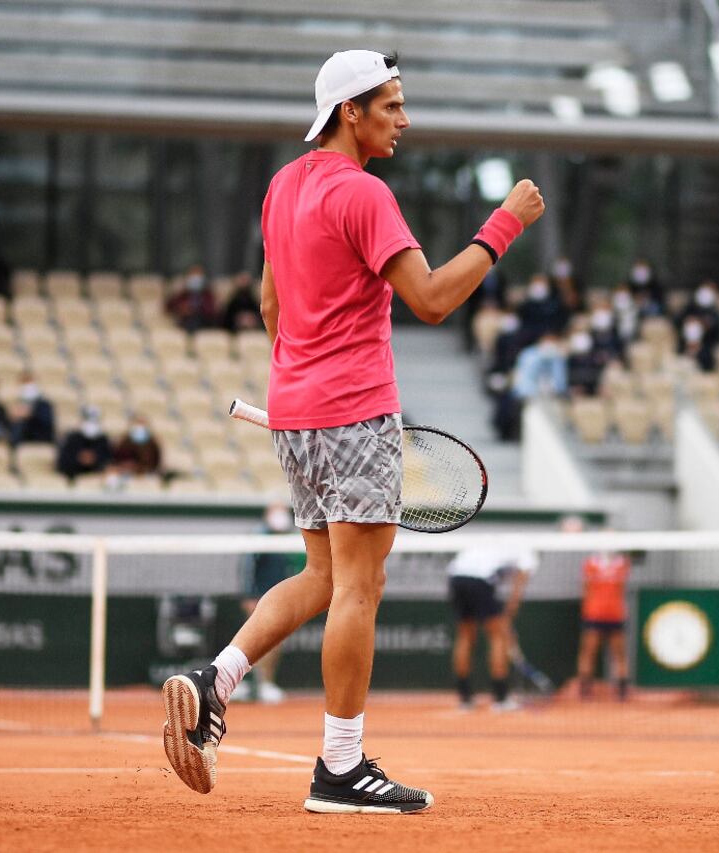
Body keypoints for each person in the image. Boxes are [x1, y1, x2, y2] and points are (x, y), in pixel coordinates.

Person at [158, 48, 544, 814]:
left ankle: (215, 678)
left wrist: (301, 380)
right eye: (391, 105)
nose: (404, 119)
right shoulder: (365, 194)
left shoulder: (283, 185)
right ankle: (340, 767)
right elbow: (431, 298)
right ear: (350, 111)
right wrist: (505, 224)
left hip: (296, 411)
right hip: (354, 410)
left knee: (324, 576)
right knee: (360, 586)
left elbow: (271, 306)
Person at [446, 544, 538, 711]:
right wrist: (509, 614)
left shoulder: (497, 542)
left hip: (456, 578)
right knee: (497, 637)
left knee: (465, 635)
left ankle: (465, 699)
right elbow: (519, 585)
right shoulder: (528, 553)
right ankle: (501, 699)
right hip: (480, 581)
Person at [232, 501, 303, 704]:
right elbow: (247, 568)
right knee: (251, 640)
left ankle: (265, 684)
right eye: (275, 511)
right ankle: (242, 683)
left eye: (283, 510)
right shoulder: (258, 536)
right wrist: (249, 595)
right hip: (258, 597)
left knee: (274, 642)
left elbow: (299, 569)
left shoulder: (291, 539)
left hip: (280, 599)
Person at [576, 545, 632, 701]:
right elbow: (585, 588)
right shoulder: (590, 564)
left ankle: (622, 690)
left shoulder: (623, 564)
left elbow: (621, 586)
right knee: (589, 651)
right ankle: (584, 690)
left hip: (615, 614)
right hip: (594, 614)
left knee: (619, 653)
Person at [55, 406, 111, 480]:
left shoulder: (103, 440)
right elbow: (62, 463)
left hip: (96, 478)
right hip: (73, 477)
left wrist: (94, 460)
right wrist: (79, 459)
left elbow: (108, 461)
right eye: (88, 419)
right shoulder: (72, 439)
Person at [165, 264, 218, 332]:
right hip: (186, 322)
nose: (195, 279)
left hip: (204, 322)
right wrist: (181, 308)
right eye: (193, 275)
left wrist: (196, 310)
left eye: (198, 275)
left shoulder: (208, 294)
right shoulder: (183, 294)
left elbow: (212, 311)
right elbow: (169, 306)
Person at [9, 371, 55, 446]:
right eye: (24, 383)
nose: (28, 387)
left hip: (42, 441)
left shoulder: (45, 405)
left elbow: (47, 426)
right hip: (23, 442)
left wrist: (31, 413)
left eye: (29, 382)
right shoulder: (18, 405)